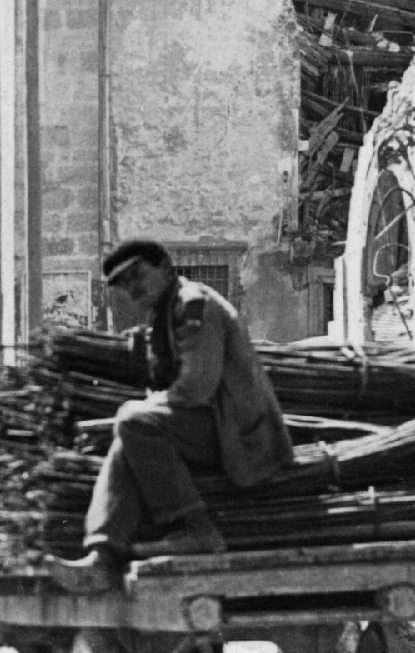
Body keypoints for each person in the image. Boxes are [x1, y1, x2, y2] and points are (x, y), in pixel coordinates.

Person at [79, 239, 291, 576]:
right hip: (212, 428)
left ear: (164, 267)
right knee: (128, 434)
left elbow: (196, 387)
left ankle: (196, 529)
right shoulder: (163, 316)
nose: (132, 289)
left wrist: (139, 411)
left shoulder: (195, 305)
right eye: (123, 284)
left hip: (242, 436)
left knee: (133, 421)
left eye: (138, 275)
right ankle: (102, 553)